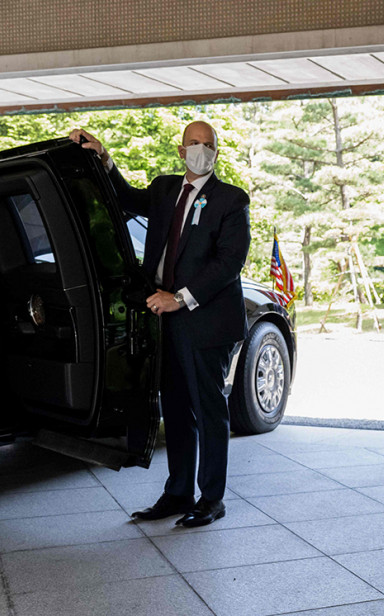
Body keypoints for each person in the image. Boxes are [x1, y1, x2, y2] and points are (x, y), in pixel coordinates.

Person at [69, 123, 251, 528]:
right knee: (176, 410)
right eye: (194, 144)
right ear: (181, 150)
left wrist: (179, 297)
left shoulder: (231, 200)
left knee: (208, 412)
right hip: (164, 321)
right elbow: (126, 199)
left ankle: (211, 499)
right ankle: (177, 493)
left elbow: (229, 263)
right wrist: (104, 158)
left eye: (209, 145)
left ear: (216, 152)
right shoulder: (165, 189)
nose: (201, 150)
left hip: (206, 322)